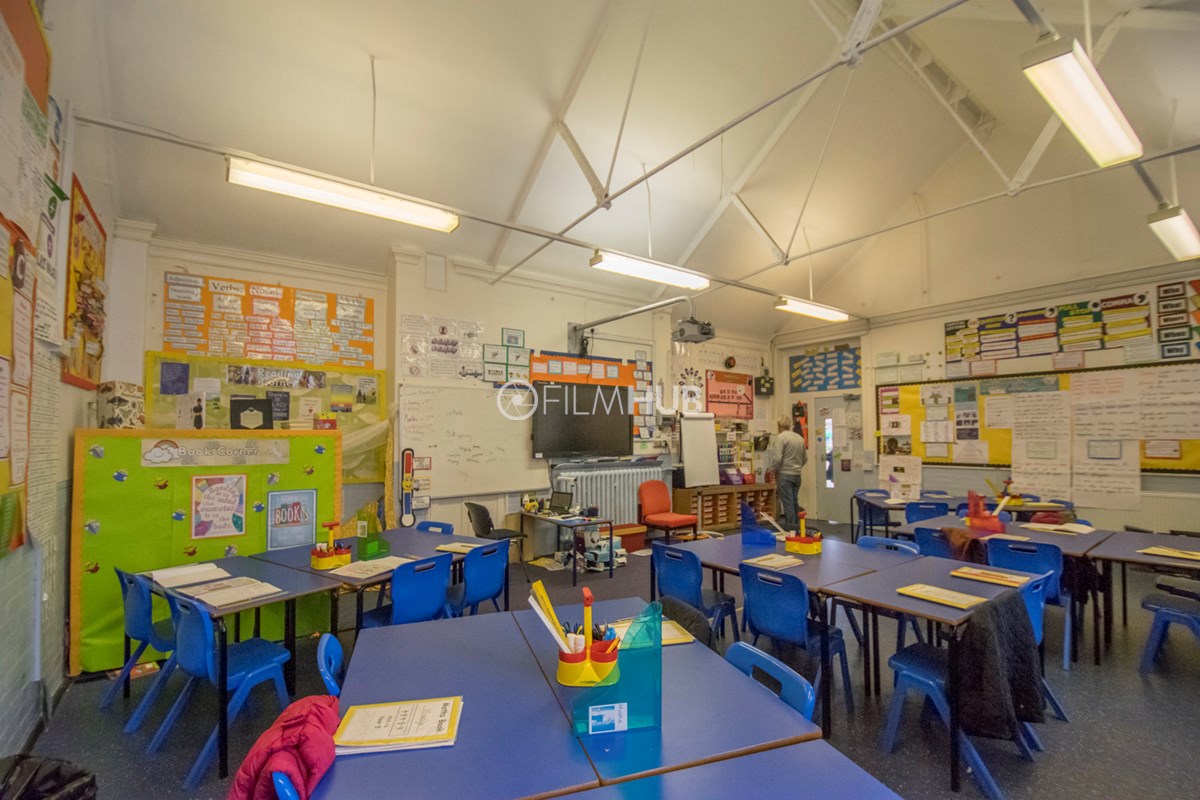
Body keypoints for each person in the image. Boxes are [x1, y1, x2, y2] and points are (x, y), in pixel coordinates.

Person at [767, 415, 807, 531]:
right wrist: (796, 467)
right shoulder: (800, 438)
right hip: (797, 475)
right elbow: (805, 459)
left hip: (785, 475)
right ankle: (798, 528)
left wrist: (772, 469)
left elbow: (777, 458)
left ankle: (791, 530)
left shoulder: (780, 438)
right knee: (794, 501)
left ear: (779, 426)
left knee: (788, 503)